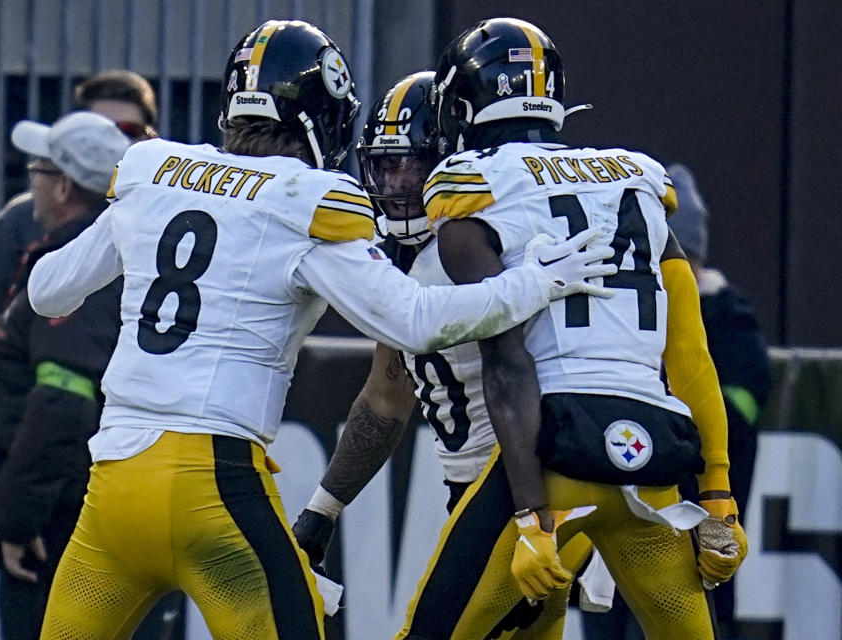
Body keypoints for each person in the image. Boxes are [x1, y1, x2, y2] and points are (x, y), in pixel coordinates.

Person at [25, 20, 614, 639]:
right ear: (321, 118)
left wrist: (134, 221)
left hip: (113, 488)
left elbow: (47, 291)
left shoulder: (153, 170)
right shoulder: (307, 199)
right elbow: (414, 321)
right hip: (213, 489)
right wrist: (533, 282)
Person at [346, 18, 746, 640]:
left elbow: (509, 367)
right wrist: (718, 497)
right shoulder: (636, 179)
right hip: (652, 455)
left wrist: (533, 519)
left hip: (552, 452)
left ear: (459, 104)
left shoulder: (467, 187)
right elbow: (691, 353)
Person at [292, 71, 603, 639]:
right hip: (483, 493)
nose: (396, 181)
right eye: (385, 164)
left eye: (413, 163)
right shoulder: (404, 256)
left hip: (518, 487)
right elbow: (387, 396)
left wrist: (529, 516)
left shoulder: (475, 239)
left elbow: (521, 370)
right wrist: (322, 509)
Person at [582, 163, 771, 640]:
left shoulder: (730, 323)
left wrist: (664, 423)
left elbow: (735, 415)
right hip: (616, 533)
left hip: (694, 535)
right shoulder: (617, 313)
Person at [0, 111, 131, 640]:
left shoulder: (75, 267)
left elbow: (64, 402)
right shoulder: (96, 256)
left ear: (62, 185)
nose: (29, 181)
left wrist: (16, 521)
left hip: (54, 528)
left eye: (37, 169)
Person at [0, 69, 158, 383]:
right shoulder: (22, 220)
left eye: (127, 130)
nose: (112, 142)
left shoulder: (165, 221)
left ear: (151, 136)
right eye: (98, 130)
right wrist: (9, 383)